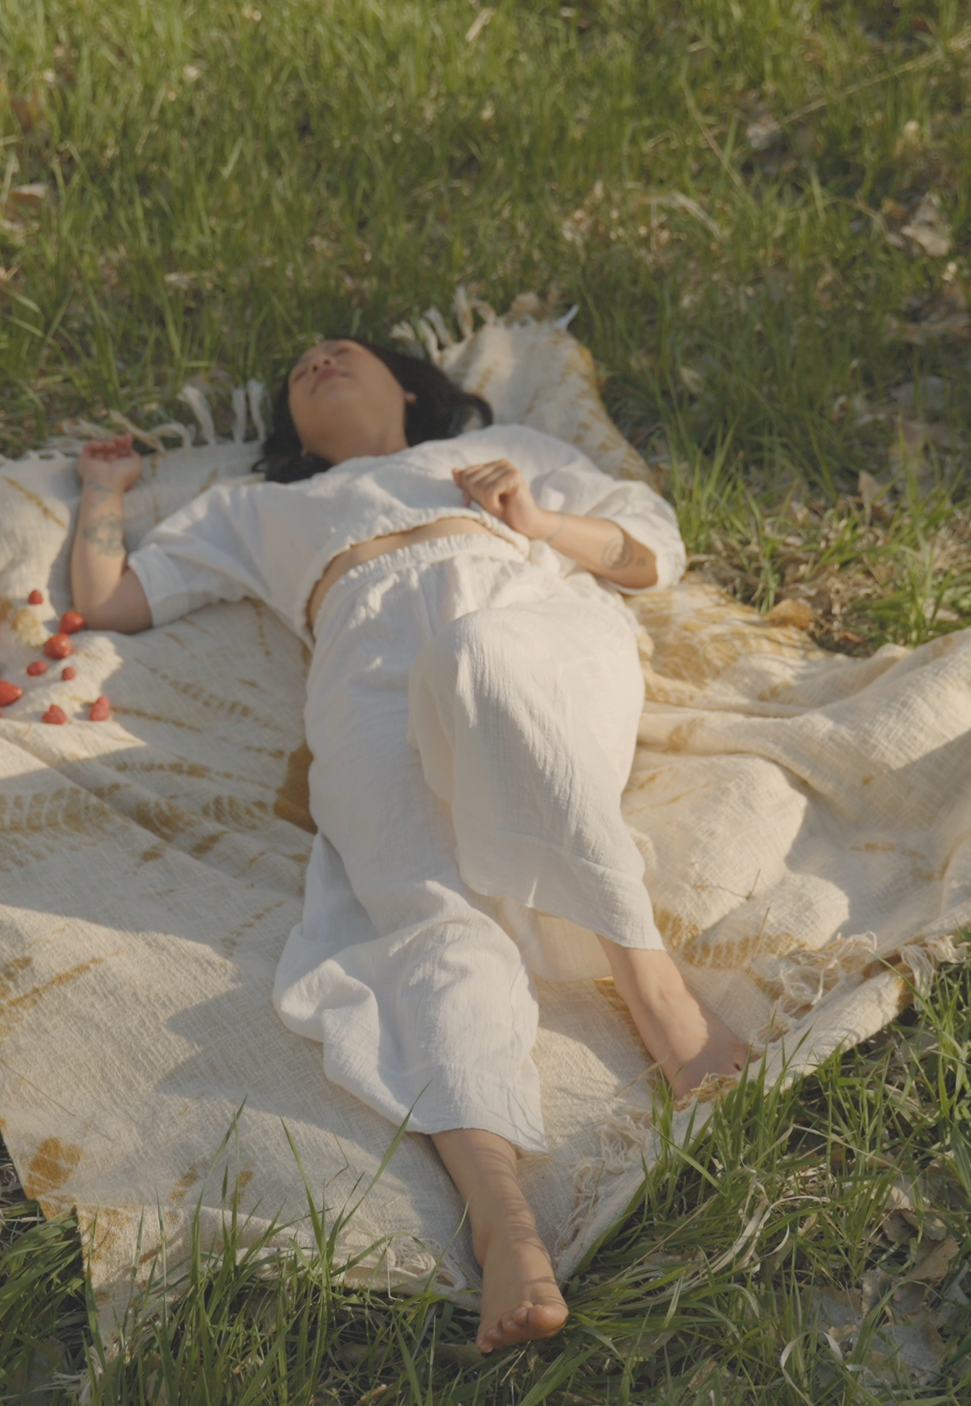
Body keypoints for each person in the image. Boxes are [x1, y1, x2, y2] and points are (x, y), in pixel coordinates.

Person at [65, 337, 751, 1352]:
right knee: (425, 913)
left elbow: (647, 555)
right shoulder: (255, 510)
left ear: (412, 390)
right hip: (366, 678)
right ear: (292, 431)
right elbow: (108, 601)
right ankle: (502, 1219)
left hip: (526, 621)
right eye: (301, 366)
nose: (320, 358)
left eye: (346, 350)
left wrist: (538, 521)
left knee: (480, 656)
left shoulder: (504, 449)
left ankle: (654, 987)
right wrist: (103, 492)